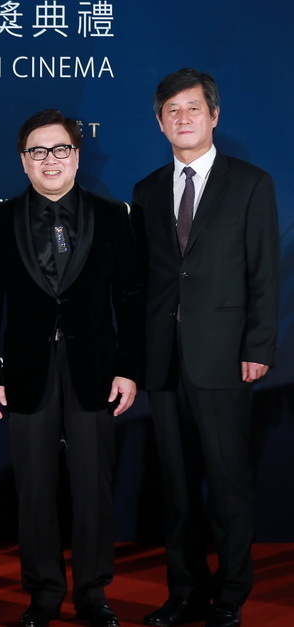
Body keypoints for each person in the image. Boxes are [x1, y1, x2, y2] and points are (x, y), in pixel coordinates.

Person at [0, 109, 143, 627]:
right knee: (35, 489)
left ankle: (93, 593)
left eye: (60, 149)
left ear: (77, 155)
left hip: (95, 370)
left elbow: (131, 300)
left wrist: (128, 368)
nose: (50, 160)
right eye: (38, 152)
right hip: (25, 372)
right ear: (23, 161)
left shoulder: (114, 216)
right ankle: (43, 592)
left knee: (94, 488)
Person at [131, 69, 279, 627]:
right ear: (159, 121)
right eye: (172, 110)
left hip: (226, 357)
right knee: (176, 486)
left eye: (193, 108)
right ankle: (185, 592)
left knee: (229, 481)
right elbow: (143, 281)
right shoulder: (146, 190)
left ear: (213, 116)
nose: (183, 118)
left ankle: (231, 595)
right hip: (164, 360)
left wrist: (258, 344)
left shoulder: (250, 183)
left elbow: (264, 271)